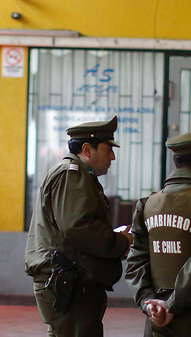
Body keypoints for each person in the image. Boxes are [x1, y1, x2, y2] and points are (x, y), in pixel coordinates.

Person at [24, 115, 133, 337]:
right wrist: (121, 241)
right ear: (87, 149)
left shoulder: (77, 174)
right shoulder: (70, 174)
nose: (112, 156)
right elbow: (77, 227)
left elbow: (74, 226)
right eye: (107, 149)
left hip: (71, 280)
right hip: (69, 282)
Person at [125, 121, 191, 337]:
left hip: (157, 316)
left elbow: (136, 260)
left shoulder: (147, 204)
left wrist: (149, 303)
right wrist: (171, 306)